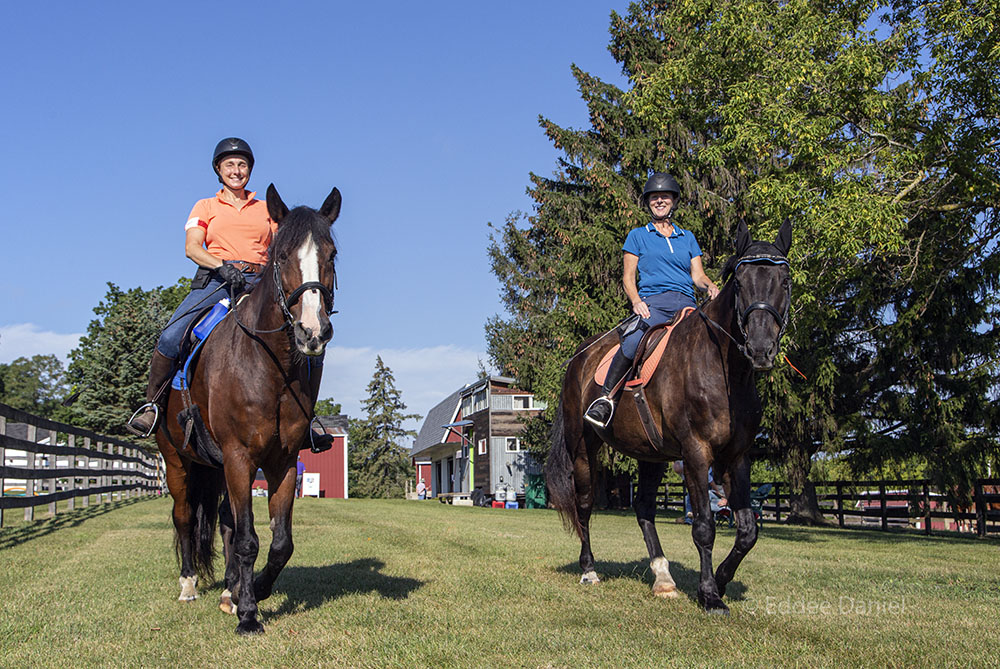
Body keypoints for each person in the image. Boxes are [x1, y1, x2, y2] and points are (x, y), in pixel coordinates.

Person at [126, 138, 333, 452]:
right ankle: (152, 406)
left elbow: (288, 250)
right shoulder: (205, 206)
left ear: (249, 169)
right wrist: (222, 267)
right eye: (230, 165)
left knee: (309, 338)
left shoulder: (265, 210)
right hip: (217, 280)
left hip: (261, 282)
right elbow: (192, 247)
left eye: (242, 165)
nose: (237, 171)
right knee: (171, 336)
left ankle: (305, 420)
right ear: (219, 170)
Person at [585, 172, 720, 428]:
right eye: (655, 197)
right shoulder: (637, 236)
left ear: (673, 201)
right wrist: (636, 301)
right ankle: (605, 399)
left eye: (665, 197)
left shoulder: (687, 237)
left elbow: (698, 276)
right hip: (654, 303)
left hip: (688, 304)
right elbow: (628, 277)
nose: (660, 201)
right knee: (633, 340)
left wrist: (711, 286)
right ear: (648, 202)